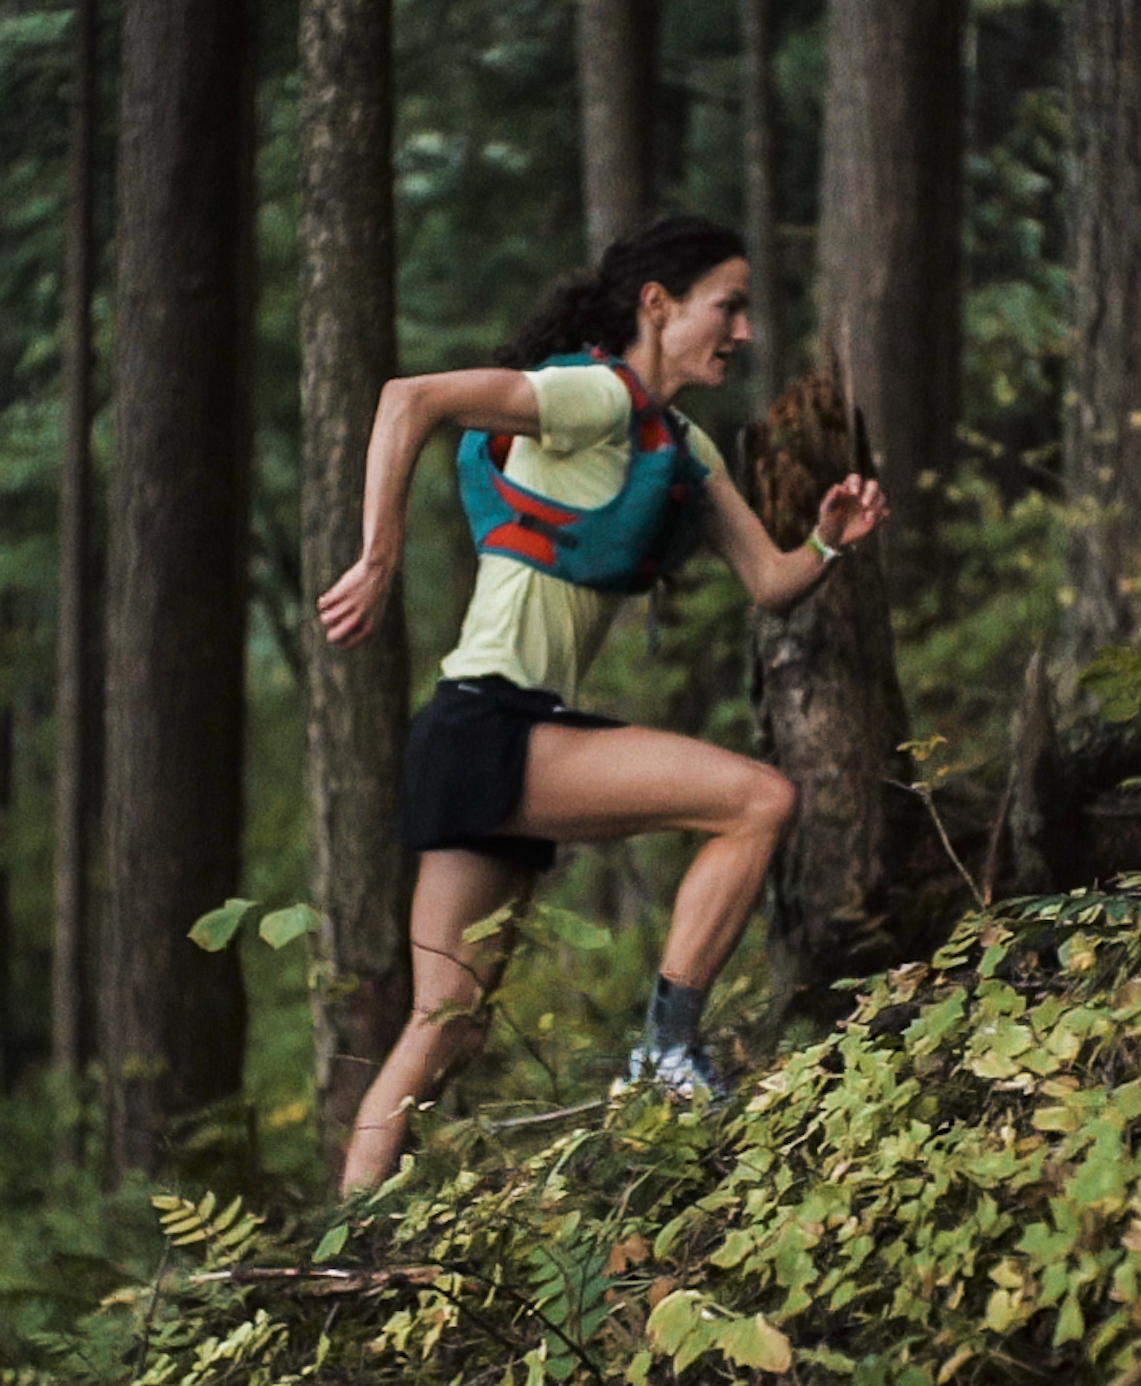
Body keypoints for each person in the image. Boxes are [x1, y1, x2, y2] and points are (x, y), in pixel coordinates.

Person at [319, 215, 890, 1195]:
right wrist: (376, 557)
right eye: (729, 305)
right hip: (492, 721)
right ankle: (666, 1053)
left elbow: (768, 582)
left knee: (445, 1023)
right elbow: (407, 398)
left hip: (473, 734)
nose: (743, 332)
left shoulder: (682, 445)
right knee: (757, 800)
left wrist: (830, 543)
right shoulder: (589, 395)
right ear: (657, 306)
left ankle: (348, 1233)